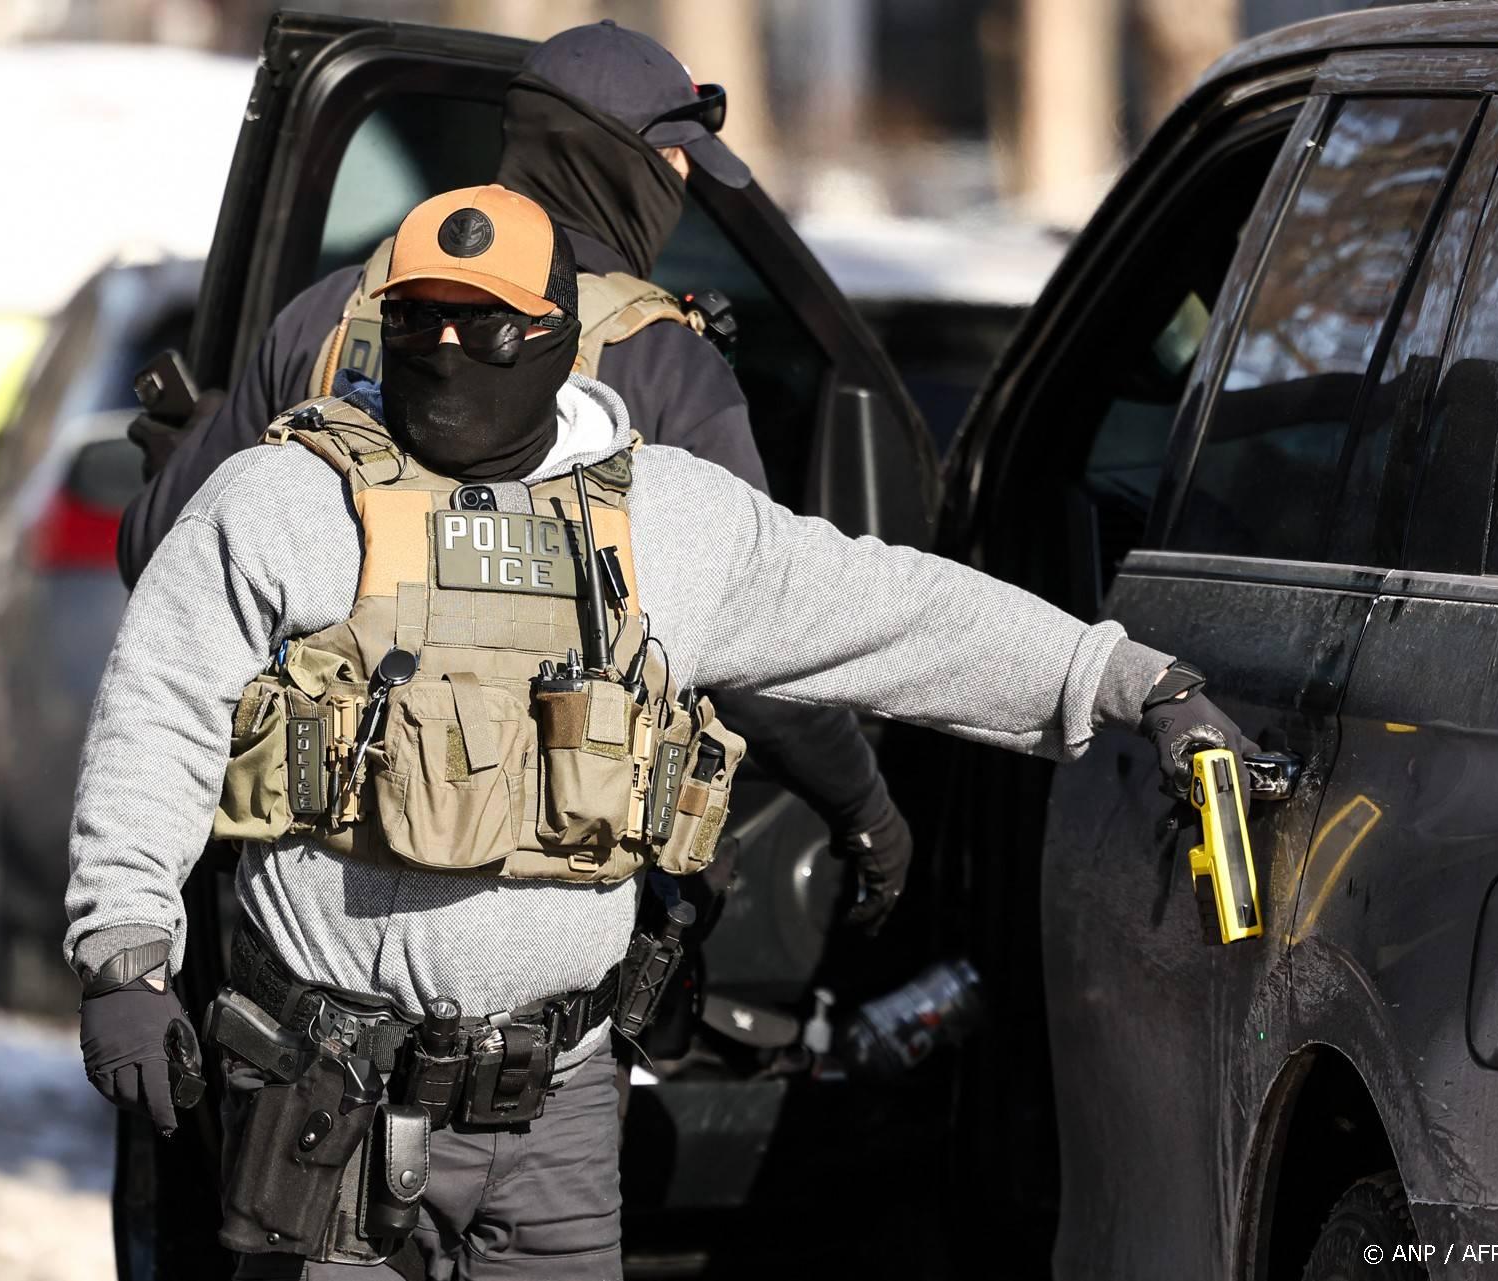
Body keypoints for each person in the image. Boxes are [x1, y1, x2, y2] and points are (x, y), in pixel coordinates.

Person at [68, 182, 1253, 1280]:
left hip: (559, 1111)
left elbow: (899, 613)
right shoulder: (286, 500)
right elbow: (157, 711)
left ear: (553, 338)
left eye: (482, 326)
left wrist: (1125, 678)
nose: (442, 350)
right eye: (416, 319)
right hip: (330, 1098)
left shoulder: (661, 521)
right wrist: (125, 949)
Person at [118, 19, 910, 937]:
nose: (685, 187)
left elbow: (162, 560)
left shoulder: (333, 314)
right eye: (677, 164)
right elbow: (762, 643)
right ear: (624, 165)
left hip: (312, 915)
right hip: (546, 928)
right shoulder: (664, 367)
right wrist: (866, 812)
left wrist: (187, 459)